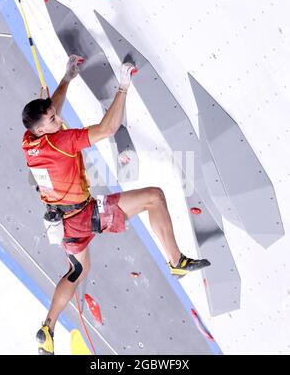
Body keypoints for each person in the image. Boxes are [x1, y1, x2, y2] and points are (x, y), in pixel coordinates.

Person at [21, 55, 211, 355]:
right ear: (43, 130)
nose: (59, 119)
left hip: (64, 222)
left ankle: (48, 327)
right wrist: (123, 87)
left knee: (77, 271)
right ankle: (177, 262)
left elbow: (49, 108)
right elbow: (107, 129)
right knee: (154, 197)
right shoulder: (62, 141)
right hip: (84, 215)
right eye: (54, 121)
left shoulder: (30, 140)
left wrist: (67, 78)